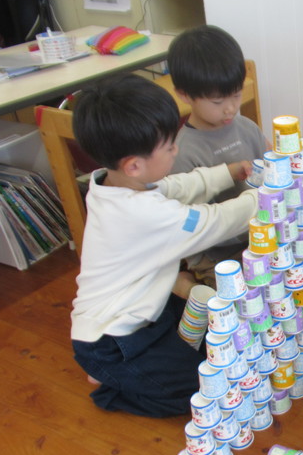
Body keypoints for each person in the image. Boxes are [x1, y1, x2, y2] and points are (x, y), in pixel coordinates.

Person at [70, 73, 258, 418]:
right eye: (170, 146)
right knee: (210, 391)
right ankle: (113, 385)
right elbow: (212, 222)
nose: (177, 150)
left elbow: (179, 186)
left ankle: (124, 371)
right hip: (113, 340)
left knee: (220, 343)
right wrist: (263, 199)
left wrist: (226, 173)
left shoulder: (116, 185)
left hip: (143, 312)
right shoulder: (141, 213)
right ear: (134, 165)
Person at [167, 24, 270, 280]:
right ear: (184, 95)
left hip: (261, 235)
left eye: (236, 95)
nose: (230, 108)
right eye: (217, 101)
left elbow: (270, 166)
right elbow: (188, 226)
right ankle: (186, 282)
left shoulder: (247, 128)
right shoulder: (183, 152)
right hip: (219, 255)